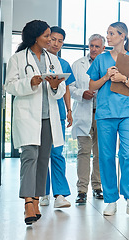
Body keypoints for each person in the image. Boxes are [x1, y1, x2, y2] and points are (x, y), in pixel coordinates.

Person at [4, 20, 66, 225]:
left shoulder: (53, 59)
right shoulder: (18, 59)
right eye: (47, 36)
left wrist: (56, 86)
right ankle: (28, 202)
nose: (50, 40)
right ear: (35, 37)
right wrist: (29, 82)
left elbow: (62, 90)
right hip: (28, 116)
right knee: (29, 156)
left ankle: (37, 200)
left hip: (48, 117)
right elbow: (9, 86)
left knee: (43, 159)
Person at [87, 22, 129, 219]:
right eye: (107, 33)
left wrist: (123, 79)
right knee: (106, 157)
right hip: (105, 114)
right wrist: (106, 76)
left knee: (127, 154)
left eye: (111, 34)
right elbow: (92, 85)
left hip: (127, 113)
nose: (108, 37)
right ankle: (111, 200)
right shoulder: (101, 59)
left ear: (123, 36)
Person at [38, 26, 76, 208]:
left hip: (58, 112)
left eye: (60, 41)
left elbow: (67, 88)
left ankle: (59, 194)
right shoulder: (37, 61)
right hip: (38, 112)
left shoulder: (64, 64)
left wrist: (69, 110)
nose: (56, 43)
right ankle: (43, 192)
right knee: (41, 154)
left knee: (57, 153)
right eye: (53, 39)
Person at [69, 34, 105, 204]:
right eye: (91, 46)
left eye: (97, 46)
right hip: (83, 113)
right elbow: (70, 88)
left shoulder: (108, 64)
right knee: (83, 152)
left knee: (99, 153)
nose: (93, 49)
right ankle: (82, 190)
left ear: (103, 48)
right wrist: (82, 93)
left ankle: (97, 187)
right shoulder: (78, 65)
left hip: (103, 115)